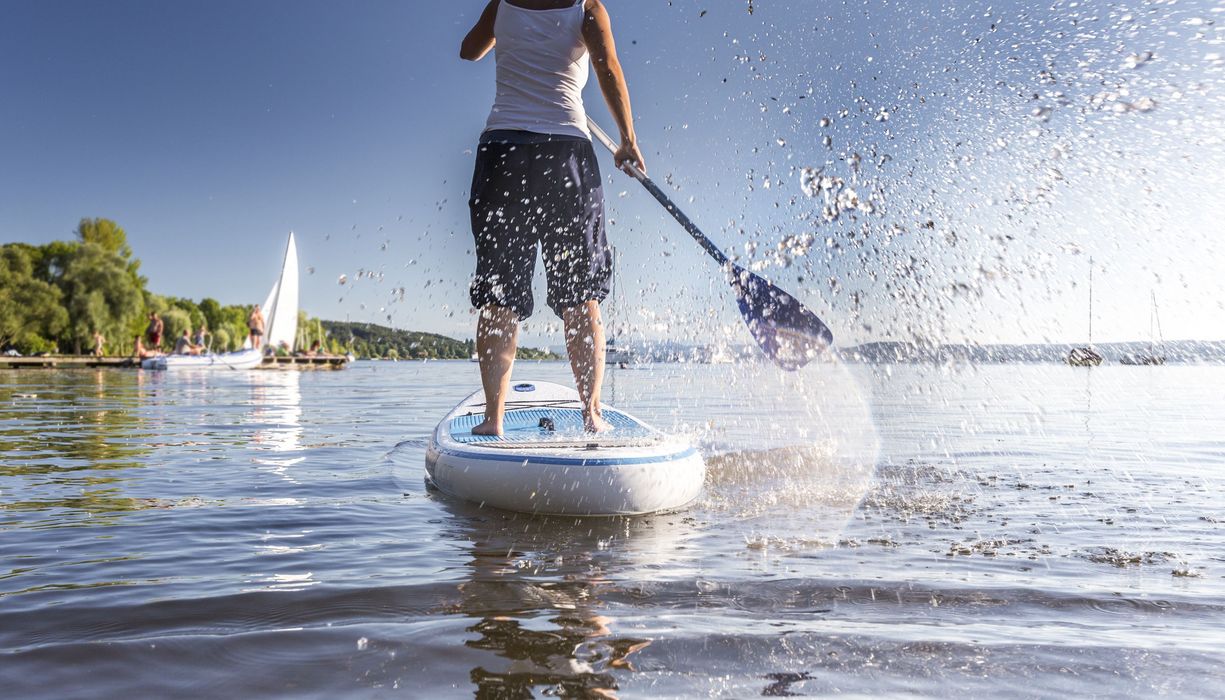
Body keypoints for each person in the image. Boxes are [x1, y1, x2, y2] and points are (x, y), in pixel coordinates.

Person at [461, 0, 644, 435]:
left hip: (503, 151)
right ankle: (592, 414)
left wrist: (508, 29)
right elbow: (608, 69)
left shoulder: (501, 3)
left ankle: (493, 420)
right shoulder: (587, 8)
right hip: (565, 154)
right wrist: (627, 140)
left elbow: (470, 50)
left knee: (499, 294)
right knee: (581, 297)